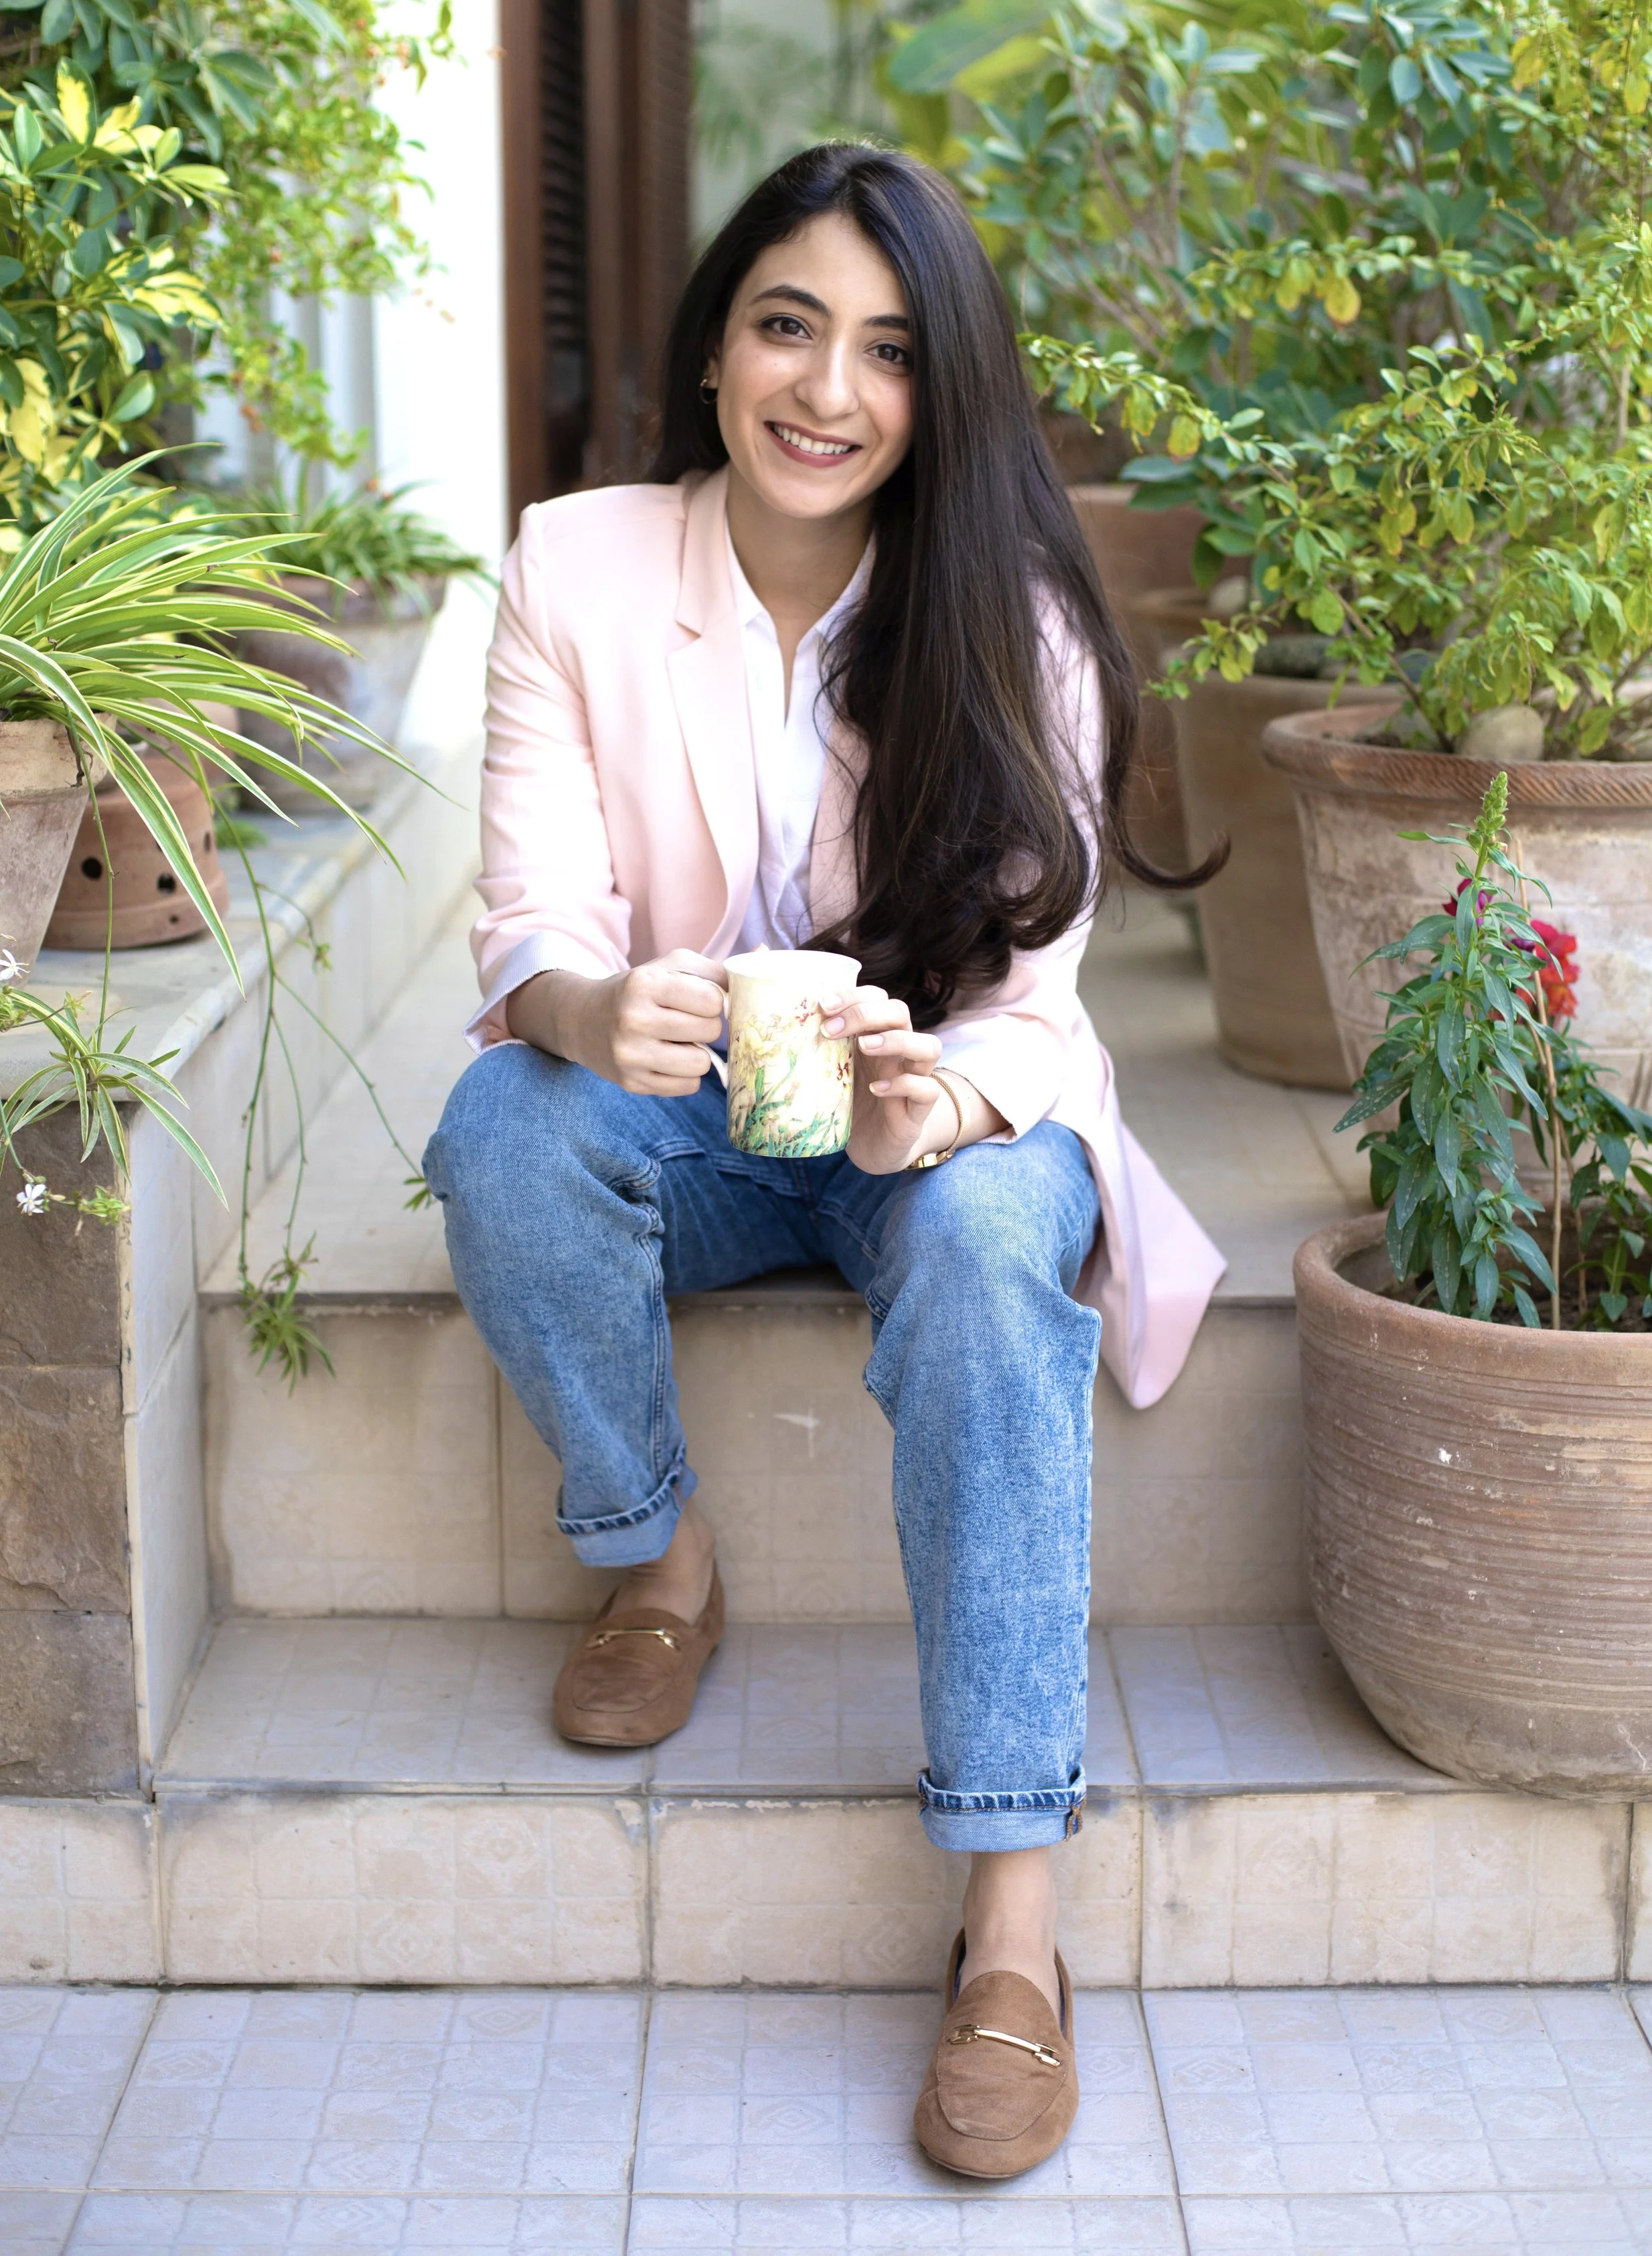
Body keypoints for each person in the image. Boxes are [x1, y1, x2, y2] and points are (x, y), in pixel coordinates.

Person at [423, 143, 1225, 2179]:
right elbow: (526, 920)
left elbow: (1042, 1001)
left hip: (936, 1115)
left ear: (934, 392)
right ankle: (661, 1561)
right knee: (499, 1133)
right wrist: (589, 1014)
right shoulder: (573, 565)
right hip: (679, 1107)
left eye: (885, 349)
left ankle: (1012, 1926)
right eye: (788, 324)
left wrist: (936, 1094)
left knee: (975, 1242)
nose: (827, 388)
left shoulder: (1008, 616)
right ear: (715, 350)